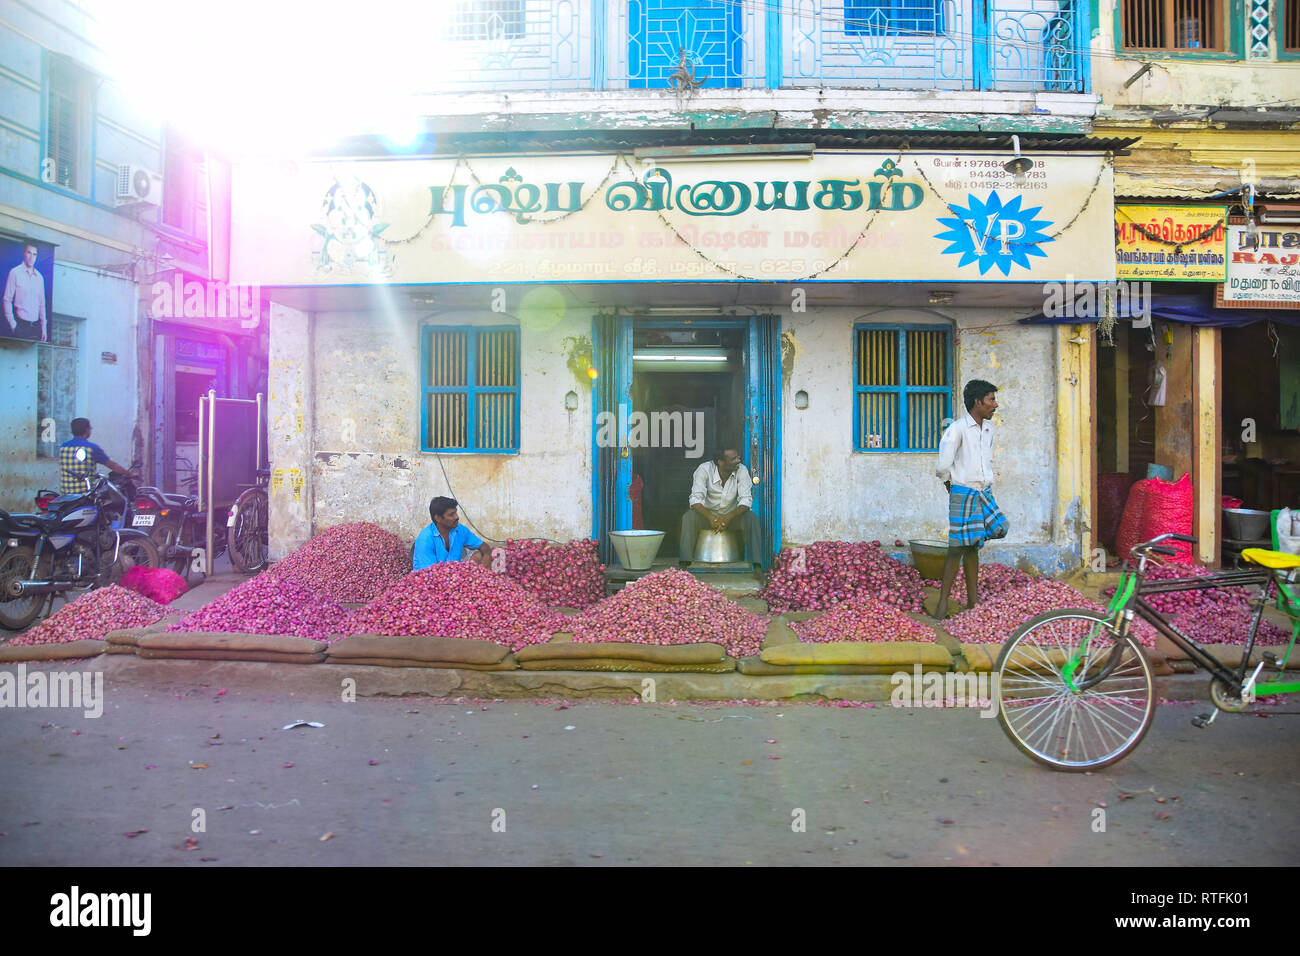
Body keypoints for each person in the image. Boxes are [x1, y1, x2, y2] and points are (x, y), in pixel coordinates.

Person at [931, 380, 1008, 620]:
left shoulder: (989, 429)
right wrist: (950, 487)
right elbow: (943, 465)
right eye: (991, 400)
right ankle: (942, 604)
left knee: (974, 546)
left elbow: (986, 461)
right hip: (963, 491)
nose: (995, 405)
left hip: (983, 492)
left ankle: (973, 604)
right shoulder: (957, 429)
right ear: (977, 402)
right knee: (956, 548)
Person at [679, 447, 762, 567]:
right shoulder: (704, 469)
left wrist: (728, 517)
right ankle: (684, 565)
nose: (738, 460)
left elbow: (746, 500)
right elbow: (695, 499)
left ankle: (757, 566)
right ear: (720, 462)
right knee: (689, 517)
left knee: (751, 518)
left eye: (738, 457)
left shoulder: (741, 470)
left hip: (732, 517)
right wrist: (710, 517)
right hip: (706, 517)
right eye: (734, 459)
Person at [413, 496, 492, 570]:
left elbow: (484, 547)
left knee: (478, 555)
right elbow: (429, 574)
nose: (456, 517)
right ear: (438, 518)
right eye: (451, 515)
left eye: (456, 513)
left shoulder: (459, 529)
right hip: (433, 578)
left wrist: (485, 566)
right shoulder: (425, 539)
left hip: (454, 574)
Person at [58, 418, 135, 495]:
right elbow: (113, 466)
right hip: (85, 495)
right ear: (87, 430)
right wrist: (129, 474)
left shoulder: (63, 447)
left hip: (66, 494)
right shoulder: (91, 448)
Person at [3, 242, 47, 342]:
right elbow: (7, 299)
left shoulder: (39, 278)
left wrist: (43, 328)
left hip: (36, 328)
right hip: (21, 326)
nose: (31, 257)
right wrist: (13, 325)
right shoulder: (15, 273)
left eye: (34, 254)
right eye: (29, 253)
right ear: (24, 253)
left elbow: (42, 304)